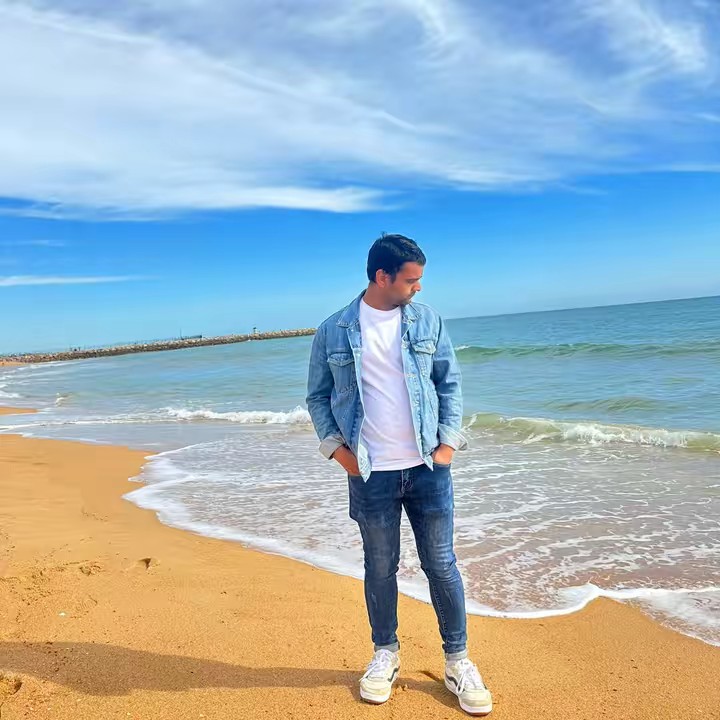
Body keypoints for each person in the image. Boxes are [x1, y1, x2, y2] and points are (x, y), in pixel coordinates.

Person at [306, 233, 492, 716]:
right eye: (411, 280)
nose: (418, 288)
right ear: (381, 276)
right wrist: (339, 453)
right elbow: (317, 397)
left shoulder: (427, 320)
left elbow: (449, 383)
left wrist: (448, 445)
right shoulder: (333, 331)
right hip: (370, 472)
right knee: (379, 567)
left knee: (442, 564)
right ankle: (385, 654)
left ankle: (458, 661)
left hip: (428, 467)